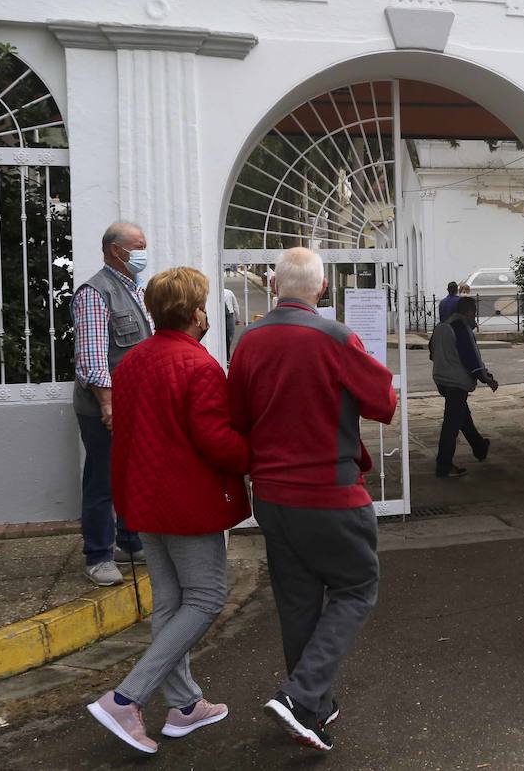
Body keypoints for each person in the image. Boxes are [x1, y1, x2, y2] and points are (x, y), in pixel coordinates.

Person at [227, 247, 398, 753]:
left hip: (273, 497)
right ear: (321, 290)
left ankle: (311, 710)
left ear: (274, 285)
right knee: (355, 587)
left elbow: (237, 414)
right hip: (328, 491)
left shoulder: (248, 339)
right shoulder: (336, 337)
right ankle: (302, 696)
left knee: (298, 600)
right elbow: (384, 404)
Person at [87, 267, 250, 754]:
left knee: (170, 603)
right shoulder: (198, 366)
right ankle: (126, 697)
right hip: (188, 503)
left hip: (143, 500)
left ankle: (183, 706)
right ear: (194, 311)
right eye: (202, 303)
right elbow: (218, 444)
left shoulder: (132, 362)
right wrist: (255, 449)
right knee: (205, 599)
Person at [72, 221, 152, 586]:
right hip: (106, 407)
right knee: (102, 479)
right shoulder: (95, 292)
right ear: (115, 250)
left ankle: (130, 540)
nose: (142, 253)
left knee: (132, 474)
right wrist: (108, 404)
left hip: (134, 404)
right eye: (137, 246)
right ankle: (98, 554)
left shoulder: (135, 289)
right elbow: (91, 358)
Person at [429, 296, 498, 478]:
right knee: (451, 425)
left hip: (441, 381)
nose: (474, 317)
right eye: (474, 313)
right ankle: (443, 466)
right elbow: (472, 359)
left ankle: (480, 447)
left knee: (462, 417)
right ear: (468, 312)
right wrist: (487, 379)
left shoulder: (441, 327)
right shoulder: (461, 329)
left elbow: (432, 352)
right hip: (457, 382)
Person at [222, 286, 240, 364]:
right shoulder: (229, 292)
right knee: (229, 336)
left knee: (224, 336)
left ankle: (225, 355)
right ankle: (227, 356)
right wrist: (237, 318)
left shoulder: (220, 293)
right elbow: (235, 306)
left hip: (221, 315)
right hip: (230, 316)